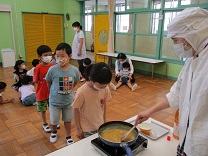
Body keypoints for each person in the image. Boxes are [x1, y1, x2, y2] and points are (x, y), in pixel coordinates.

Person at [134, 7, 208, 156]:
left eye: (176, 40)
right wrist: (149, 112)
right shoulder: (192, 59)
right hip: (187, 140)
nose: (176, 45)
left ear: (191, 34)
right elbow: (176, 93)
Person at [46, 42, 80, 145]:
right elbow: (49, 82)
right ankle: (54, 132)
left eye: (62, 56)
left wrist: (69, 90)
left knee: (68, 120)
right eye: (57, 56)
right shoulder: (52, 69)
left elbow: (75, 82)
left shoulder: (74, 70)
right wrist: (52, 92)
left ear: (69, 56)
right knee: (54, 120)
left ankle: (68, 136)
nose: (59, 58)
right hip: (54, 101)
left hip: (68, 101)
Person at [72, 62, 112, 139]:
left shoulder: (105, 88)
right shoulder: (82, 92)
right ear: (91, 79)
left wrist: (104, 120)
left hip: (100, 125)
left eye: (106, 85)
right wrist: (78, 129)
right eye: (100, 85)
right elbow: (75, 109)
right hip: (87, 129)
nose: (103, 87)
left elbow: (104, 104)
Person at [33, 45, 54, 133]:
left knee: (53, 108)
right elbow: (35, 81)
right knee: (43, 110)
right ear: (39, 57)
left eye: (50, 54)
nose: (48, 57)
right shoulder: (38, 68)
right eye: (45, 55)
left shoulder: (53, 65)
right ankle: (45, 124)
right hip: (41, 93)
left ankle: (53, 122)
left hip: (52, 93)